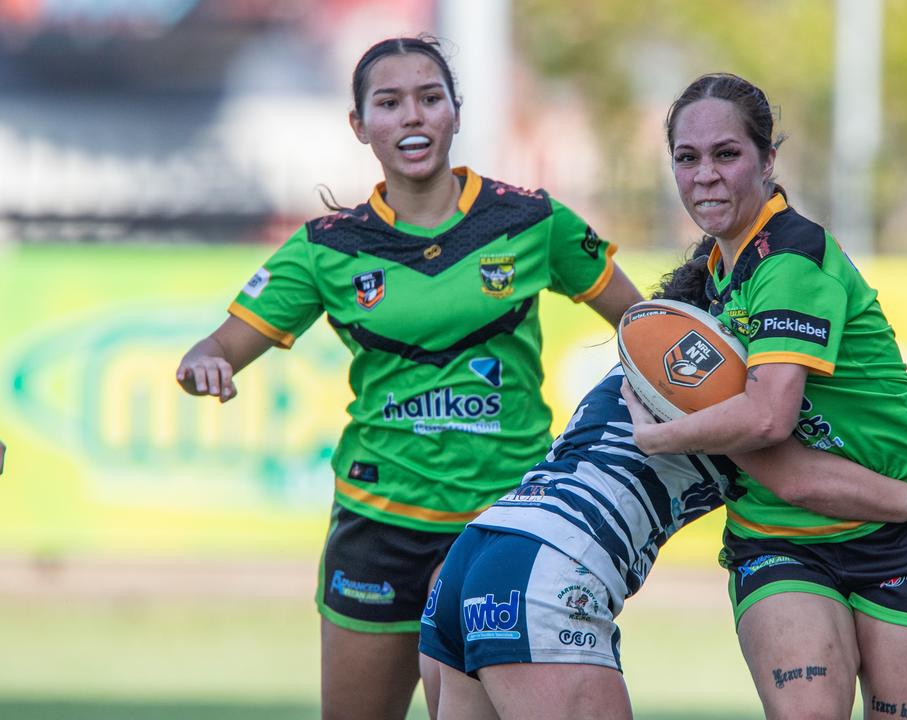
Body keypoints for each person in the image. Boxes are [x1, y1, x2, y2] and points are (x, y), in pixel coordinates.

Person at [174, 36, 642, 720]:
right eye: (388, 103)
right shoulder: (327, 247)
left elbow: (645, 325)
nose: (412, 117)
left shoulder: (534, 222)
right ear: (360, 125)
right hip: (379, 519)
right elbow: (216, 348)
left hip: (505, 519)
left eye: (429, 98)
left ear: (456, 112)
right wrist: (203, 364)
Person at [417, 243, 907, 719]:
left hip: (476, 557)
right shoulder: (710, 386)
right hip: (548, 574)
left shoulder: (640, 369)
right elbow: (796, 479)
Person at [625, 73, 907, 720]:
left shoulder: (790, 260)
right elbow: (789, 475)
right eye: (687, 158)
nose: (704, 175)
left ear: (769, 161)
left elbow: (769, 419)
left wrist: (661, 435)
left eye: (727, 154)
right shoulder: (714, 278)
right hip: (784, 536)